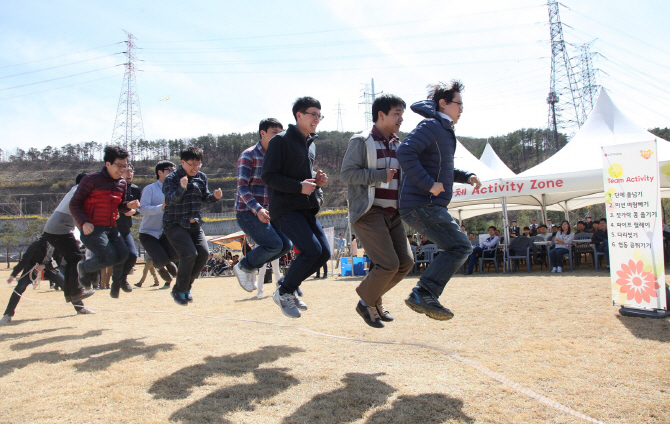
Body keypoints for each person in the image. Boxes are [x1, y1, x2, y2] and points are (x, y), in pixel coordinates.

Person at [396, 80, 481, 321]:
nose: (461, 109)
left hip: (427, 204)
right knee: (461, 246)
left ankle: (424, 293)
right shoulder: (432, 125)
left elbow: (441, 168)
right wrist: (427, 184)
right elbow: (404, 152)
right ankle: (423, 293)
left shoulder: (443, 129)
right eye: (458, 104)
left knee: (458, 246)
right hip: (421, 203)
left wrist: (466, 176)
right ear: (443, 103)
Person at [341, 93, 414, 328]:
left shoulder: (398, 144)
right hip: (369, 211)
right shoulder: (360, 141)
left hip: (394, 214)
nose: (401, 118)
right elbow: (347, 174)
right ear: (381, 115)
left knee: (405, 263)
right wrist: (380, 176)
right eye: (397, 114)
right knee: (389, 265)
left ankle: (370, 299)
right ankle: (367, 301)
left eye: (402, 114)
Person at [261, 96, 330, 318]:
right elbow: (269, 176)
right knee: (311, 251)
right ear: (299, 115)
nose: (317, 119)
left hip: (306, 207)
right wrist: (299, 186)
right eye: (313, 114)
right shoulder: (279, 141)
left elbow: (301, 176)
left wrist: (315, 180)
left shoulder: (311, 145)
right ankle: (284, 291)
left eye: (319, 115)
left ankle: (286, 285)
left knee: (324, 254)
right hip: (286, 208)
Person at [70, 145, 139, 299]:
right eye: (119, 166)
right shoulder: (91, 179)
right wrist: (84, 222)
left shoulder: (121, 184)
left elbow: (119, 205)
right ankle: (84, 268)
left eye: (125, 165)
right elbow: (74, 204)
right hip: (92, 228)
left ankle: (112, 282)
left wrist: (128, 205)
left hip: (111, 227)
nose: (122, 170)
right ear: (108, 164)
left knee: (123, 254)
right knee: (109, 256)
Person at [232, 118, 292, 293]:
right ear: (262, 133)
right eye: (275, 133)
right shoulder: (249, 155)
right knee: (273, 244)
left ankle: (248, 267)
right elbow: (241, 187)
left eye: (281, 134)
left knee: (286, 245)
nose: (279, 137)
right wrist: (257, 209)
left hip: (270, 212)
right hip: (248, 211)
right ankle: (243, 266)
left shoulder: (278, 158)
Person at [163, 147, 223, 305]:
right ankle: (179, 290)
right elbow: (169, 201)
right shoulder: (172, 179)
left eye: (198, 165)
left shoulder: (201, 177)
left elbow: (205, 197)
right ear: (183, 162)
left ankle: (185, 287)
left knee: (203, 254)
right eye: (192, 164)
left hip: (194, 224)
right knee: (189, 254)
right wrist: (181, 188)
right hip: (174, 224)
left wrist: (214, 197)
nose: (195, 168)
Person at [39, 171, 96, 314]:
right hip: (59, 229)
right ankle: (75, 292)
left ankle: (73, 295)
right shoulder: (79, 191)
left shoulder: (75, 190)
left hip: (58, 228)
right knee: (76, 257)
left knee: (73, 258)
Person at [138, 160, 179, 290]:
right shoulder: (150, 189)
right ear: (159, 172)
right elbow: (142, 209)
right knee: (160, 259)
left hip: (165, 231)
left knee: (177, 254)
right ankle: (160, 267)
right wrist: (160, 207)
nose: (173, 173)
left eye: (174, 171)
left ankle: (166, 264)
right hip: (148, 232)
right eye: (169, 170)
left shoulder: (175, 189)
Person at [112, 164, 141, 295]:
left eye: (131, 171)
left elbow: (140, 208)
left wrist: (134, 211)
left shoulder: (135, 189)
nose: (129, 174)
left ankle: (121, 279)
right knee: (121, 255)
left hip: (125, 228)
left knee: (133, 255)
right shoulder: (113, 187)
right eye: (126, 171)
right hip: (110, 228)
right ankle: (115, 282)